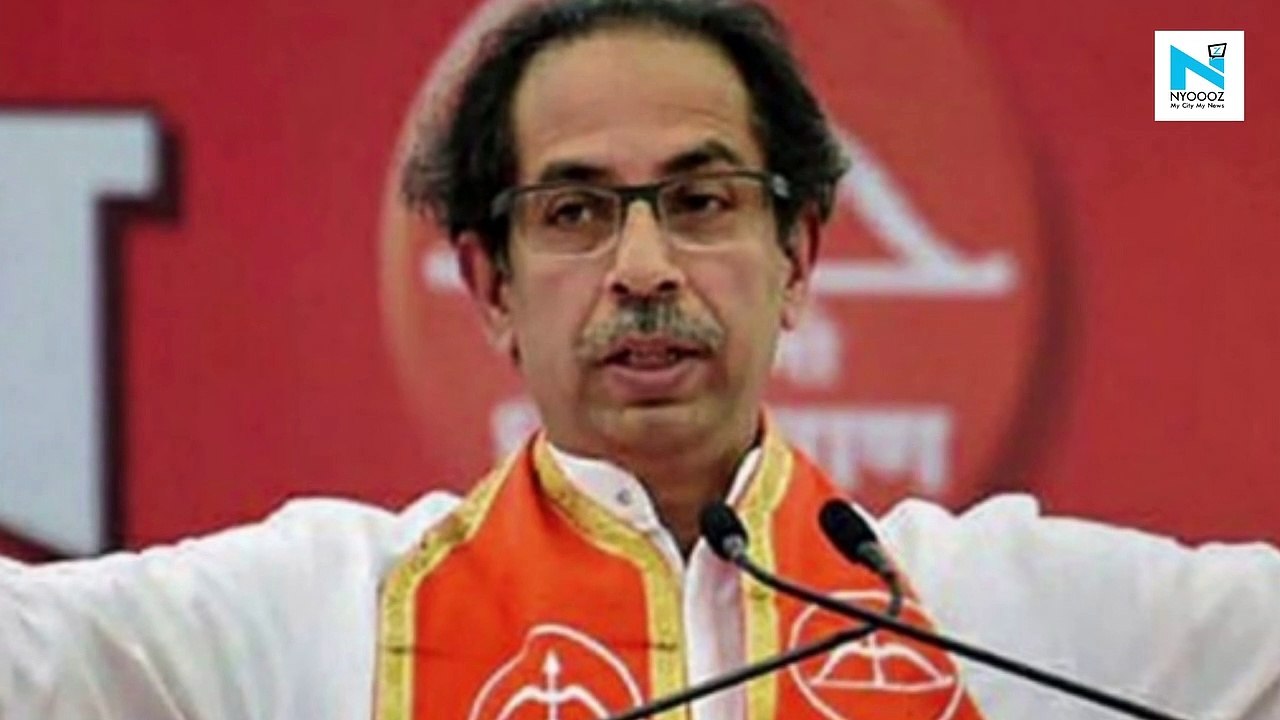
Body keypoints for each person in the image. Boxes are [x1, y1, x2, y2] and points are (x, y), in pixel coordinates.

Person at [3, 1, 1279, 718]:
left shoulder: (990, 610)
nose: (644, 265)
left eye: (700, 201)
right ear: (489, 287)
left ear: (797, 254)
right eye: (573, 212)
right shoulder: (328, 613)